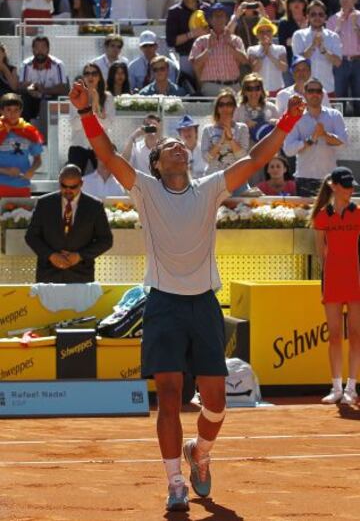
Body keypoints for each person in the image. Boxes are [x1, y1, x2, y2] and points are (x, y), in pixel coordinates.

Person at [69, 76, 304, 513]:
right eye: (170, 147)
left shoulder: (211, 186)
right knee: (171, 396)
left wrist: (289, 119)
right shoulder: (144, 188)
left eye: (182, 145)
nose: (179, 147)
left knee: (215, 403)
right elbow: (105, 153)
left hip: (203, 305)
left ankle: (200, 452)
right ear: (157, 164)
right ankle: (175, 483)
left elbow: (255, 158)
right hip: (162, 304)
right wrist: (86, 111)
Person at [311, 166, 360, 405]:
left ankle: (352, 387)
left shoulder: (359, 213)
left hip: (356, 280)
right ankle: (336, 387)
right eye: (346, 186)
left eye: (352, 186)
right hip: (332, 281)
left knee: (355, 334)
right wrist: (330, 271)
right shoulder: (322, 216)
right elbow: (320, 251)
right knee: (334, 335)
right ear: (334, 186)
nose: (350, 190)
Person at [25, 163, 113, 283]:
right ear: (59, 181)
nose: (68, 190)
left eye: (73, 187)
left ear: (81, 184)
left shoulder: (94, 206)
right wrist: (51, 256)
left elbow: (106, 240)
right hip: (48, 274)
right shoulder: (44, 203)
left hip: (81, 275)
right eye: (64, 186)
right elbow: (31, 236)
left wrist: (79, 256)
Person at [283, 77, 348, 197]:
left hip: (329, 178)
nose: (315, 94)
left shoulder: (335, 115)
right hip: (304, 178)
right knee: (305, 216)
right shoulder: (295, 117)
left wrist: (324, 135)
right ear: (304, 93)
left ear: (322, 94)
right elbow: (288, 150)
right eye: (311, 91)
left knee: (329, 215)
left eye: (318, 91)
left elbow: (344, 144)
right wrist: (310, 140)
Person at [189, 2, 248, 96]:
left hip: (233, 86)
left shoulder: (236, 40)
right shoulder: (201, 41)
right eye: (216, 16)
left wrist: (230, 46)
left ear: (226, 19)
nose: (219, 19)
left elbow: (245, 61)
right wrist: (208, 49)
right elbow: (195, 65)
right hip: (211, 86)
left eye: (222, 16)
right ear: (210, 20)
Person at [68, 63, 115, 175]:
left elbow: (107, 124)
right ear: (83, 78)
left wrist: (96, 105)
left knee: (104, 180)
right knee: (73, 178)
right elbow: (75, 125)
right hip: (79, 145)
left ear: (99, 77)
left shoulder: (108, 97)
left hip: (100, 146)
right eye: (87, 73)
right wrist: (89, 109)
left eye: (94, 73)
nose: (90, 77)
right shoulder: (76, 95)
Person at [201, 88, 251, 194]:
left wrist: (230, 139)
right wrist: (221, 141)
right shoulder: (208, 129)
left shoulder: (242, 128)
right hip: (213, 180)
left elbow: (243, 157)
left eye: (229, 104)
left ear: (234, 107)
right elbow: (206, 158)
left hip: (237, 180)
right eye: (221, 104)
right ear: (217, 108)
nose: (225, 108)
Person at [291, 0, 342, 97]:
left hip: (326, 89)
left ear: (325, 17)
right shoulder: (298, 35)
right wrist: (313, 46)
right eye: (313, 14)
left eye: (320, 14)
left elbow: (338, 62)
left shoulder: (333, 36)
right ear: (308, 17)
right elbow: (298, 62)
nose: (317, 17)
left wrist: (323, 49)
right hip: (304, 89)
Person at [18, 35, 69, 132]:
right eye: (37, 47)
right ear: (32, 49)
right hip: (32, 97)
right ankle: (24, 133)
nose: (40, 51)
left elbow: (64, 88)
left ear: (48, 49)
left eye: (43, 47)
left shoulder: (58, 64)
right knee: (22, 99)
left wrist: (44, 90)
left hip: (52, 97)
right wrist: (29, 89)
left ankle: (56, 133)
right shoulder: (25, 64)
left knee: (59, 99)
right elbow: (20, 86)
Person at [165, 0, 210, 84]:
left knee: (207, 88)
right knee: (188, 88)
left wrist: (206, 34)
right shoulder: (174, 12)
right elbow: (171, 41)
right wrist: (192, 34)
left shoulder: (208, 8)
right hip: (186, 56)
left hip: (207, 55)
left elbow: (215, 31)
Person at [0, 93, 43, 197]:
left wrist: (32, 170)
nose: (12, 113)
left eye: (16, 110)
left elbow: (38, 159)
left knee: (22, 214)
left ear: (21, 111)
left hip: (22, 186)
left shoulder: (29, 130)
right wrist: (6, 171)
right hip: (1, 186)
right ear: (1, 111)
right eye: (8, 110)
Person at [327, 0, 360, 116]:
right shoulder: (332, 19)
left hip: (358, 62)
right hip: (340, 63)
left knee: (359, 98)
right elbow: (328, 43)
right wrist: (338, 27)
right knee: (339, 99)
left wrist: (355, 26)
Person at [247, 16, 288, 96]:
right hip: (259, 91)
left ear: (272, 33)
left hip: (278, 90)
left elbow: (284, 68)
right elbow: (254, 69)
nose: (265, 34)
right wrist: (263, 53)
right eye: (261, 32)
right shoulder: (252, 50)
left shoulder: (280, 49)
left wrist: (270, 54)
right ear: (257, 35)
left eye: (268, 31)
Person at [278, 0, 308, 84]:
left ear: (304, 4)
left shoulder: (312, 20)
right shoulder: (284, 23)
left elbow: (291, 42)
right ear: (288, 5)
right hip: (291, 64)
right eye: (292, 0)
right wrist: (302, 32)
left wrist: (292, 41)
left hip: (311, 64)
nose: (296, 2)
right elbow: (284, 44)